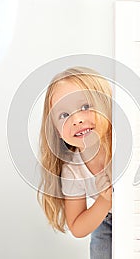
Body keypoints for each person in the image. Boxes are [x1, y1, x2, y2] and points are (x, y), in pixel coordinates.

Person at [37, 66, 113, 259]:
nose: (77, 120)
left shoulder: (122, 145)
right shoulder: (72, 170)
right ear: (55, 129)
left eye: (86, 107)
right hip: (108, 221)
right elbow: (78, 227)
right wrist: (104, 201)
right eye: (64, 115)